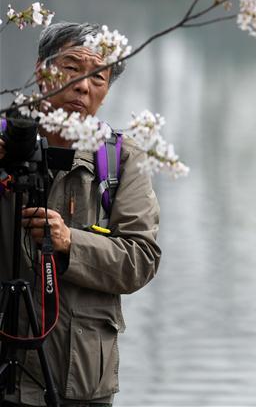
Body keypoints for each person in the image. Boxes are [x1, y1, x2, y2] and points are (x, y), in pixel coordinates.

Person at [0, 22, 162, 406]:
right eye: (72, 68)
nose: (83, 86)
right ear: (43, 71)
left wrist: (71, 242)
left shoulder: (121, 160)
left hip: (80, 378)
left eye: (98, 77)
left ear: (105, 93)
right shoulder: (5, 143)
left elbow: (141, 259)